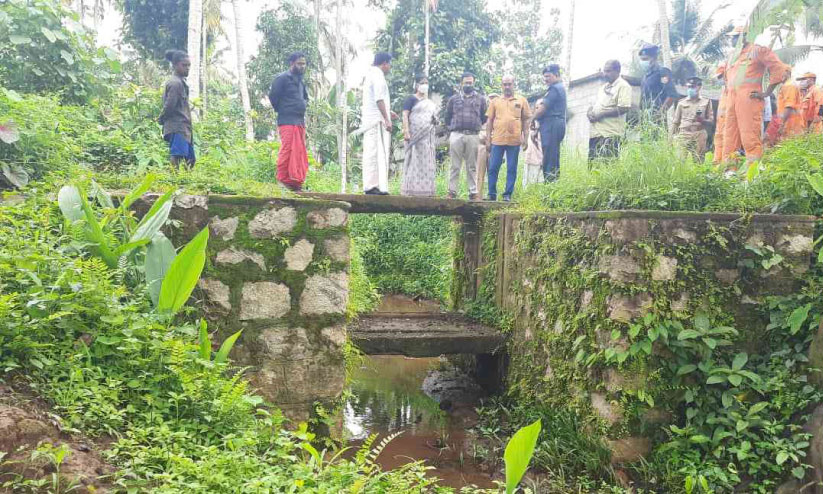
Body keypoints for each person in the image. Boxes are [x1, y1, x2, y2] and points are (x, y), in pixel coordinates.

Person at [720, 26, 789, 164]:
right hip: (732, 99)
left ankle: (753, 170)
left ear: (744, 37)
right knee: (729, 136)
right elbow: (726, 78)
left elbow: (779, 69)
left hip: (749, 99)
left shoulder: (758, 51)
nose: (732, 40)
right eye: (731, 37)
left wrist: (766, 93)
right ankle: (729, 169)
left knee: (750, 136)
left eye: (735, 37)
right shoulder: (732, 56)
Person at [485, 75, 531, 202]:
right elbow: (489, 121)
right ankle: (491, 194)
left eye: (509, 84)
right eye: (504, 84)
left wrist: (526, 138)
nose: (507, 87)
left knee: (511, 168)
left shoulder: (521, 100)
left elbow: (526, 120)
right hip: (497, 140)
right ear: (501, 85)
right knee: (493, 167)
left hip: (514, 140)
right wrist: (488, 139)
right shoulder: (495, 101)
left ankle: (507, 194)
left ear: (513, 84)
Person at [268, 52, 310, 192]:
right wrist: (284, 109)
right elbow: (273, 97)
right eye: (299, 63)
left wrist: (302, 105)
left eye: (304, 64)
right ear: (292, 63)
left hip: (299, 121)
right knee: (287, 149)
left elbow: (305, 98)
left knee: (299, 153)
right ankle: (282, 180)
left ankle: (295, 183)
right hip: (287, 120)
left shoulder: (301, 82)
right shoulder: (282, 78)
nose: (302, 66)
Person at [445, 72, 487, 200]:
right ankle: (452, 192)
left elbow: (483, 117)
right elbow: (447, 117)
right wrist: (453, 130)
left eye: (470, 82)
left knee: (472, 165)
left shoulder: (481, 99)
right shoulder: (453, 99)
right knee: (455, 165)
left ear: (474, 83)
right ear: (461, 83)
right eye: (466, 83)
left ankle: (473, 192)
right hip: (456, 134)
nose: (468, 85)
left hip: (473, 135)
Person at [361, 52, 394, 195]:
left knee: (373, 152)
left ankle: (375, 185)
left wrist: (389, 112)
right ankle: (372, 186)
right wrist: (387, 118)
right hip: (376, 121)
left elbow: (376, 100)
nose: (390, 67)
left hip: (372, 120)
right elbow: (379, 99)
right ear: (385, 63)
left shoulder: (371, 74)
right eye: (389, 64)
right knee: (376, 153)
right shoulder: (378, 75)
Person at [588, 60, 632, 163]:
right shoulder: (602, 88)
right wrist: (589, 113)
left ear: (617, 71)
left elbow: (624, 108)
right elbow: (594, 105)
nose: (605, 74)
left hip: (610, 134)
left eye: (608, 71)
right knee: (593, 166)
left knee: (608, 165)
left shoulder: (623, 86)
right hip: (596, 133)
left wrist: (602, 114)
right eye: (604, 71)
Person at [400, 76, 438, 196]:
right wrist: (406, 131)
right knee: (414, 161)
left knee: (426, 163)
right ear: (417, 85)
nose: (425, 85)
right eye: (422, 83)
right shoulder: (411, 99)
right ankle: (411, 189)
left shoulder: (430, 103)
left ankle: (426, 190)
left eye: (426, 83)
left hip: (427, 138)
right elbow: (405, 115)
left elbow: (434, 118)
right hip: (414, 136)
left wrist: (435, 120)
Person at [159, 49, 195, 169]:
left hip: (184, 127)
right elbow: (170, 105)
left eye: (188, 65)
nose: (187, 68)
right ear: (175, 65)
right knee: (177, 155)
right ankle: (173, 178)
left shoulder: (180, 82)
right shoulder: (175, 83)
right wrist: (161, 118)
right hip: (178, 126)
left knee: (190, 159)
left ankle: (185, 179)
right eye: (184, 65)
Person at [531, 64, 566, 181]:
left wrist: (531, 119)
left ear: (556, 75)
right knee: (552, 155)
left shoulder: (555, 89)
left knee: (549, 157)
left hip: (552, 124)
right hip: (553, 124)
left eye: (548, 76)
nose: (545, 79)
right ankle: (552, 184)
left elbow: (542, 109)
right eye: (544, 77)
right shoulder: (557, 88)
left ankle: (550, 184)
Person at [671, 77, 714, 162]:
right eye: (689, 87)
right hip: (684, 134)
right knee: (680, 161)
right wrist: (670, 139)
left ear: (699, 87)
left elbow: (711, 121)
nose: (690, 89)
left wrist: (702, 120)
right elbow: (676, 122)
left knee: (699, 162)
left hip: (699, 134)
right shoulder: (681, 103)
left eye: (693, 87)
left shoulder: (706, 102)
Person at [639, 43, 678, 121]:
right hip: (645, 117)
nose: (643, 62)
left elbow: (672, 95)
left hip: (656, 119)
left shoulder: (662, 72)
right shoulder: (646, 75)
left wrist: (660, 114)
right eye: (641, 59)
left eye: (645, 59)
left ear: (654, 58)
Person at [475, 94, 498, 198]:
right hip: (481, 145)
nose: (491, 102)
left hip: (495, 146)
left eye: (494, 100)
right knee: (479, 172)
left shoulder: (499, 116)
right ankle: (478, 195)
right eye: (489, 100)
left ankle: (492, 195)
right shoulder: (481, 115)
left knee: (493, 172)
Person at [775, 69, 806, 142]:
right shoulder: (788, 85)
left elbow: (789, 106)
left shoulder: (789, 85)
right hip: (790, 123)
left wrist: (782, 124)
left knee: (791, 145)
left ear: (787, 73)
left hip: (790, 124)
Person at [713, 64, 727, 164]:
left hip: (729, 129)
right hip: (720, 128)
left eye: (720, 76)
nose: (719, 79)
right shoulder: (723, 91)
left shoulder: (733, 92)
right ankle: (717, 165)